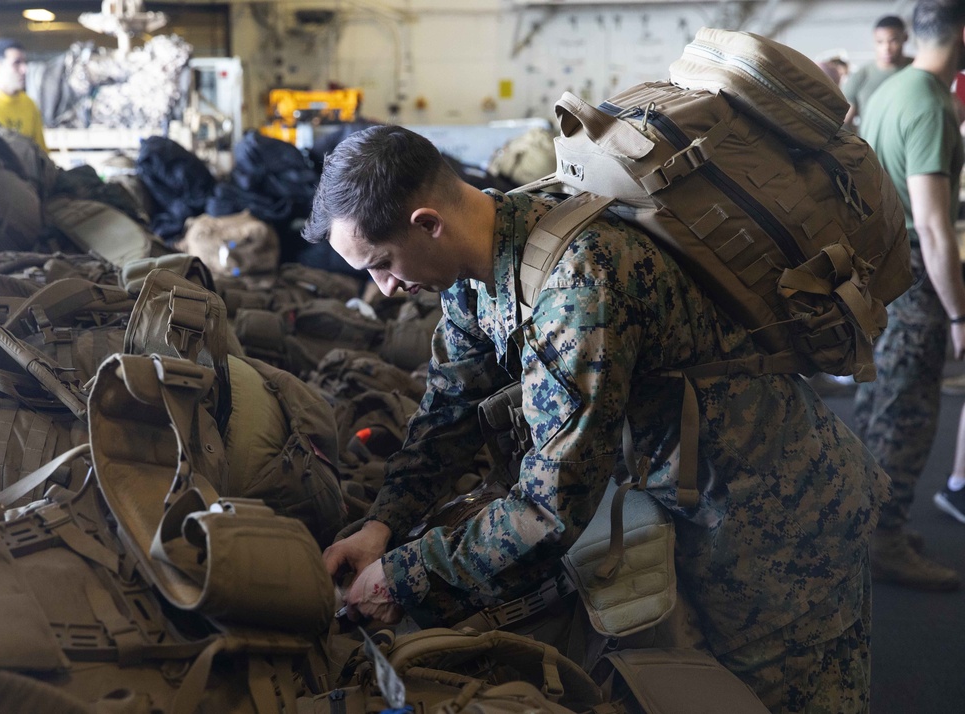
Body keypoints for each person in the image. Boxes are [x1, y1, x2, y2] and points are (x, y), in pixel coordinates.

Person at [304, 124, 889, 712]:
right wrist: (381, 524)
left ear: (428, 223)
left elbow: (550, 507)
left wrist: (405, 577)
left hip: (779, 518)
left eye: (381, 264)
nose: (381, 290)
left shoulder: (577, 285)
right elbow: (447, 412)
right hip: (694, 503)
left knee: (788, 699)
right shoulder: (479, 269)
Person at [852, 0, 965, 591]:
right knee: (909, 415)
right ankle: (886, 541)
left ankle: (871, 525)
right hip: (916, 280)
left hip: (883, 271)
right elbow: (933, 225)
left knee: (878, 410)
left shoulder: (892, 89)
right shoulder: (930, 103)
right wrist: (960, 312)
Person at [843, 15, 912, 129]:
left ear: (905, 38)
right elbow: (844, 124)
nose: (886, 48)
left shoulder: (917, 69)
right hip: (870, 145)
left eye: (893, 40)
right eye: (880, 42)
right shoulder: (861, 76)